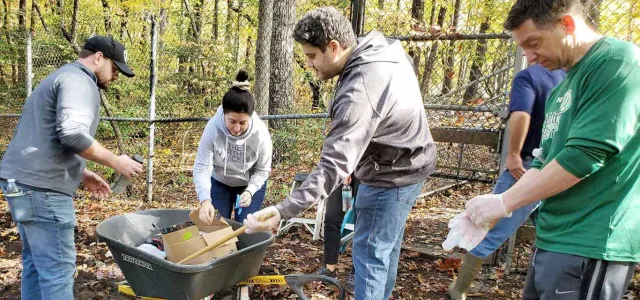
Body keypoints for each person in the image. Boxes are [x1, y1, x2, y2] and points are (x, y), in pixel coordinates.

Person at [445, 0, 640, 298]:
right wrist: (496, 206)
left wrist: (506, 202)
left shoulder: (616, 62)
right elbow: (543, 159)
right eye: (523, 47)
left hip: (591, 239)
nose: (529, 56)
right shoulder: (562, 88)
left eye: (533, 43)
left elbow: (585, 155)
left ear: (567, 24)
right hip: (553, 236)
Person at [244, 7, 437, 300]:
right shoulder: (378, 46)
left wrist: (283, 211)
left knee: (370, 259)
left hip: (390, 175)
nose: (309, 64)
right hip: (411, 163)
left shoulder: (360, 89)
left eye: (311, 56)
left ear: (334, 47)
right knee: (384, 251)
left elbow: (333, 165)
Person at [0, 35, 143, 300]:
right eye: (115, 69)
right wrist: (116, 160)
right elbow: (73, 134)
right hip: (41, 190)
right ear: (99, 58)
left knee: (36, 263)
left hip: (20, 182)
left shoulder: (62, 76)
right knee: (58, 268)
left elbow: (47, 137)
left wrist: (81, 173)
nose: (115, 76)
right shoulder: (80, 81)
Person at [447, 64, 565, 300]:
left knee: (487, 227)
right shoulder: (566, 76)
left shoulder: (528, 76)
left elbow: (521, 114)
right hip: (558, 167)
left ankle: (458, 291)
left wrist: (513, 154)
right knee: (550, 232)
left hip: (527, 165)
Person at [193, 70, 272, 224]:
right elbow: (202, 167)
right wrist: (205, 200)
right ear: (224, 114)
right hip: (220, 182)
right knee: (216, 226)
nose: (237, 128)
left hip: (250, 184)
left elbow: (263, 170)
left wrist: (250, 191)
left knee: (246, 226)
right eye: (232, 121)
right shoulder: (213, 128)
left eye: (242, 123)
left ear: (250, 117)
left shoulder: (261, 133)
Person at [315, 175, 359, 292]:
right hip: (342, 169)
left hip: (366, 168)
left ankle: (357, 273)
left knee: (362, 223)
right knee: (331, 218)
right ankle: (329, 269)